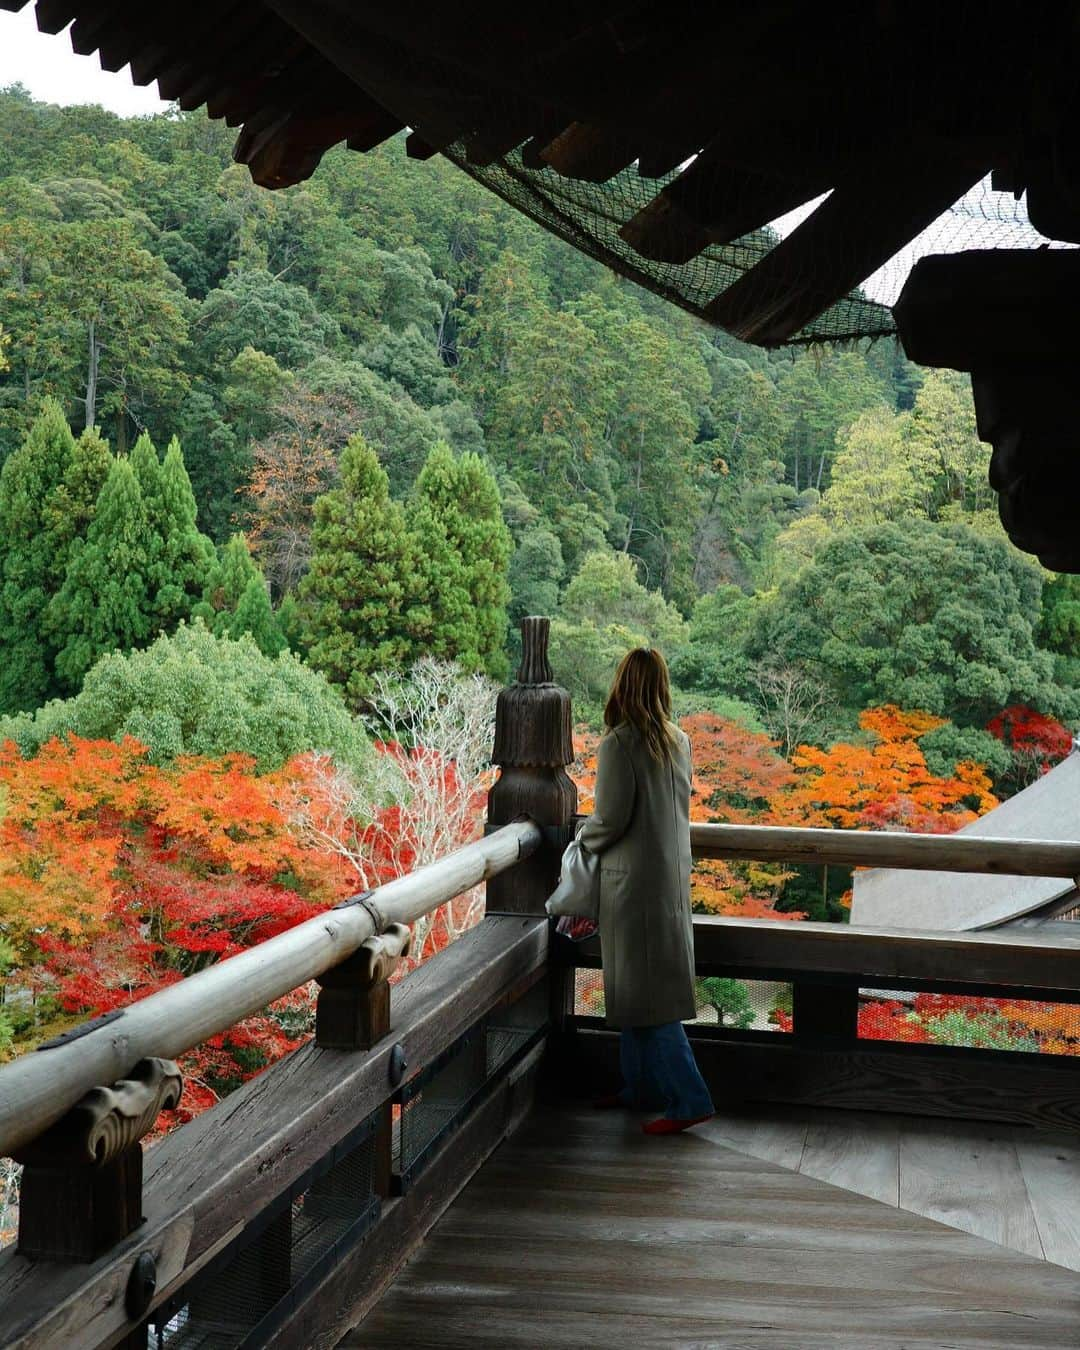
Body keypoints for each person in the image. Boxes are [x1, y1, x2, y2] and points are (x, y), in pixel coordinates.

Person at [578, 647, 715, 1136]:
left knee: (647, 997)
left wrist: (578, 844)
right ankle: (640, 1088)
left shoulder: (619, 744)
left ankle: (690, 1098)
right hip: (670, 881)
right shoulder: (678, 741)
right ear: (661, 686)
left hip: (631, 884)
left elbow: (609, 819)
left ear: (622, 684)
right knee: (640, 991)